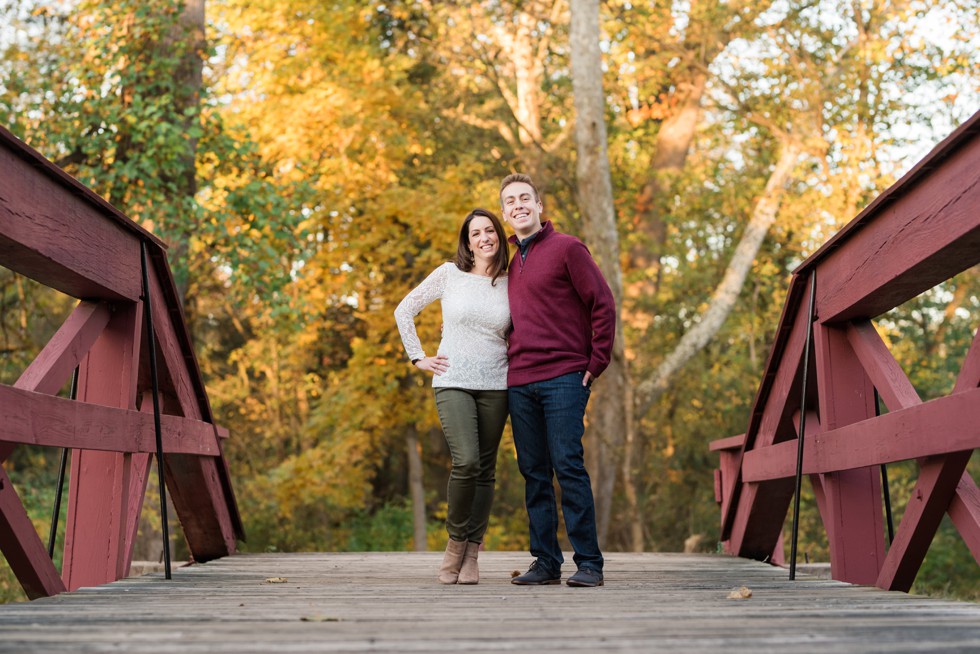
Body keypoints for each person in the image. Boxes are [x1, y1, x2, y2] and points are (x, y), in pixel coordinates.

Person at [500, 173, 616, 588]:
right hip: (520, 380)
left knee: (567, 466)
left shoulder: (568, 248)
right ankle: (546, 562)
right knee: (533, 471)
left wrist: (597, 360)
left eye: (525, 198)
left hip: (565, 376)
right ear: (505, 212)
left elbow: (602, 303)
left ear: (539, 206)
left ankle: (589, 563)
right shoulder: (510, 265)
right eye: (510, 201)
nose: (518, 206)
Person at [394, 208, 511, 585]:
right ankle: (455, 543)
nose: (483, 238)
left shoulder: (513, 280)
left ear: (499, 235)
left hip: (498, 382)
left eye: (489, 230)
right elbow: (404, 310)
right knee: (467, 461)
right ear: (467, 241)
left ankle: (473, 553)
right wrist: (418, 356)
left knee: (486, 470)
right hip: (453, 379)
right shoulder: (449, 274)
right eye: (475, 233)